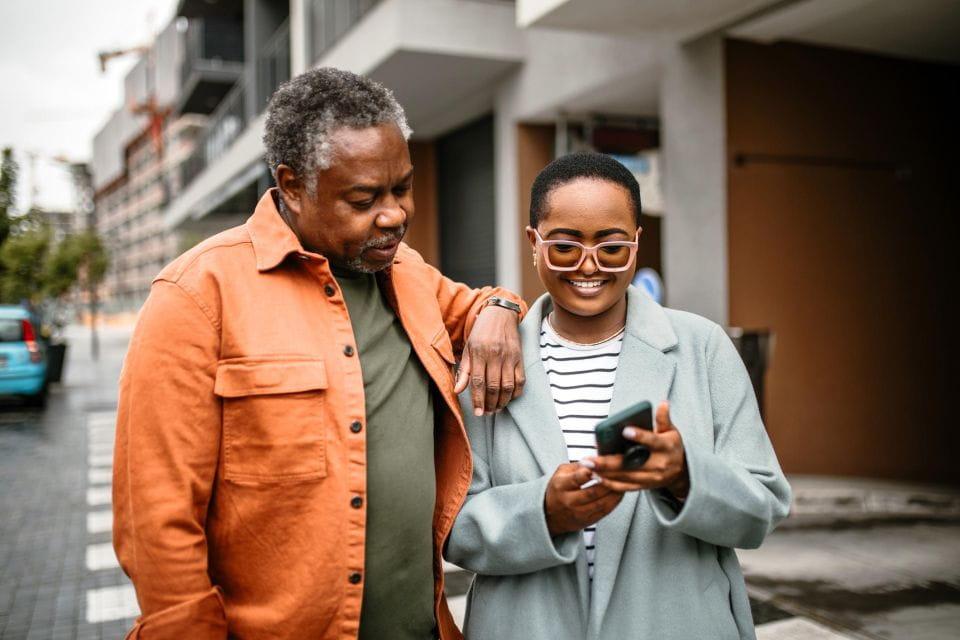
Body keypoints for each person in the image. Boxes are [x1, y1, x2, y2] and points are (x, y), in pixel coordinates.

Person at [112, 67, 527, 639]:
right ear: (291, 186)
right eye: (364, 198)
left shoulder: (408, 272)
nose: (394, 215)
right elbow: (156, 518)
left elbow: (480, 305)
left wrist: (500, 309)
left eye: (402, 188)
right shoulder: (196, 295)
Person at [446, 152, 791, 639]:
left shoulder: (702, 347)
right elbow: (452, 526)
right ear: (533, 243)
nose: (588, 266)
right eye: (564, 247)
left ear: (636, 243)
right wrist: (542, 512)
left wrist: (685, 477)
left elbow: (763, 509)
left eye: (611, 248)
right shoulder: (488, 361)